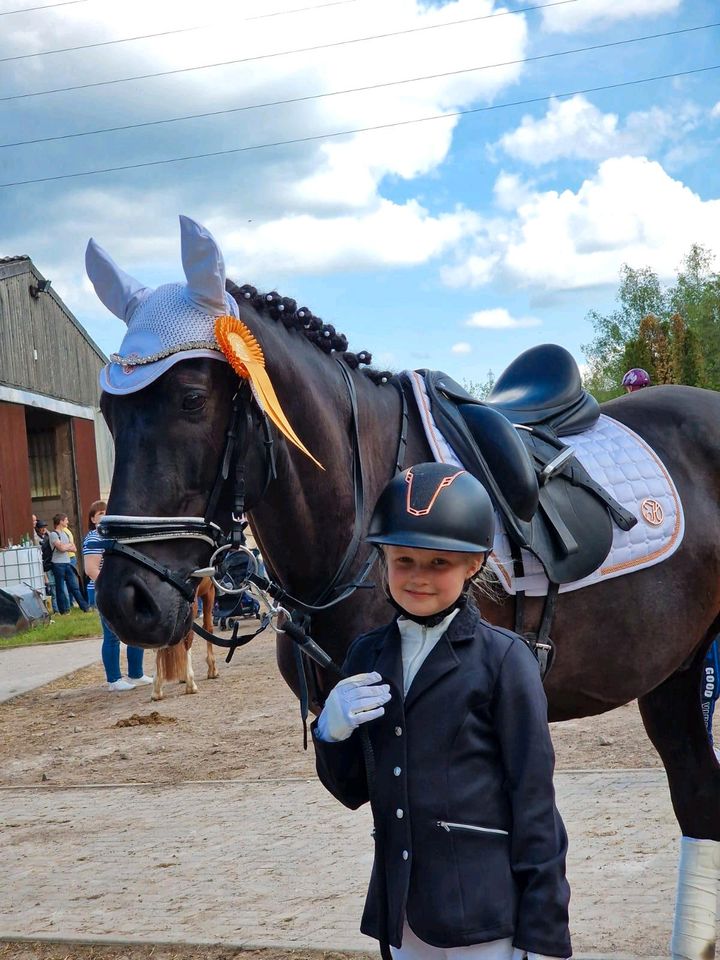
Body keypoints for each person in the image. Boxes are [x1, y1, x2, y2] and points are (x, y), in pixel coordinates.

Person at [312, 462, 572, 960]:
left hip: (484, 915)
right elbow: (351, 790)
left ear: (472, 564)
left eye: (438, 564)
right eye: (404, 560)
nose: (418, 579)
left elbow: (534, 800)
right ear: (383, 558)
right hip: (400, 911)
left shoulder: (505, 660)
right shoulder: (367, 654)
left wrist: (544, 932)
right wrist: (332, 731)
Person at [82, 500, 152, 692]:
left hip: (123, 590)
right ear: (92, 518)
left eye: (107, 512)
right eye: (100, 513)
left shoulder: (117, 536)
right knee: (111, 635)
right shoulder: (94, 538)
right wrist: (110, 588)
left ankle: (136, 674)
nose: (104, 516)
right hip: (103, 590)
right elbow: (91, 569)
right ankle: (114, 680)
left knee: (136, 631)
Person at [49, 514, 89, 614]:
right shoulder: (53, 534)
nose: (67, 522)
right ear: (61, 521)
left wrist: (64, 546)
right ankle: (64, 610)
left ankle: (85, 607)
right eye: (66, 520)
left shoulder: (65, 534)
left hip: (67, 563)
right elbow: (61, 548)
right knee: (60, 588)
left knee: (74, 586)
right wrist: (67, 546)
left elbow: (74, 548)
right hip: (58, 564)